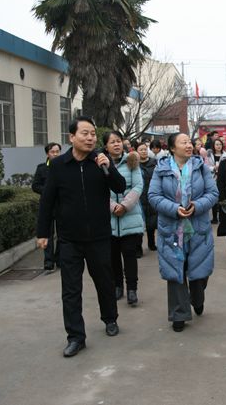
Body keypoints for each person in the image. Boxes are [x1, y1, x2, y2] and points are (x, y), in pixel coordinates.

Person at [36, 116, 126, 358]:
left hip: (99, 237)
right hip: (69, 240)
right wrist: (42, 232)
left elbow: (120, 187)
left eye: (93, 134)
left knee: (104, 282)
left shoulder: (101, 161)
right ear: (72, 137)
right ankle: (76, 336)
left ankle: (110, 318)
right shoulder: (58, 166)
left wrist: (108, 169)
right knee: (70, 290)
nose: (90, 138)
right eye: (85, 133)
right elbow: (47, 201)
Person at [148, 132, 219, 332]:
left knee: (199, 273)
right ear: (172, 148)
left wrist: (196, 206)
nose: (189, 145)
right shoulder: (161, 169)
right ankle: (178, 314)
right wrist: (174, 209)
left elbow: (213, 193)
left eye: (189, 142)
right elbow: (153, 196)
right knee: (175, 272)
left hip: (198, 228)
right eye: (183, 142)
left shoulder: (200, 166)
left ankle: (197, 299)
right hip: (171, 230)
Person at [103, 131, 144, 307]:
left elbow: (138, 186)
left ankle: (132, 289)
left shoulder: (131, 161)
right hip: (109, 218)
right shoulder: (101, 164)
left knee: (129, 254)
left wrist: (125, 205)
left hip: (130, 215)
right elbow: (99, 190)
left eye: (118, 141)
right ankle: (117, 286)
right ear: (106, 146)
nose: (116, 144)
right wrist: (113, 207)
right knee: (113, 256)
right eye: (112, 142)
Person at [32, 142, 62, 271]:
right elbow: (35, 186)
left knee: (62, 235)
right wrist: (48, 191)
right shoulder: (42, 168)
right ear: (47, 154)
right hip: (47, 205)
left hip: (61, 205)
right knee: (48, 234)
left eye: (57, 151)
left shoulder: (64, 167)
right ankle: (48, 261)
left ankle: (60, 259)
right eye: (52, 152)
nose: (55, 154)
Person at [136, 141, 158, 252]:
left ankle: (151, 243)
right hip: (139, 197)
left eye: (145, 149)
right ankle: (138, 247)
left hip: (152, 196)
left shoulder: (154, 163)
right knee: (139, 224)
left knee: (152, 223)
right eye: (141, 150)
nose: (144, 151)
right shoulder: (134, 165)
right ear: (136, 151)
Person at [206, 138, 225, 224]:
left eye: (220, 144)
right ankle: (214, 218)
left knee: (221, 197)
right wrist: (213, 168)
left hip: (222, 178)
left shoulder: (225, 155)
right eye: (217, 144)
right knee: (214, 198)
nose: (218, 146)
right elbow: (206, 166)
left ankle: (221, 217)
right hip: (212, 178)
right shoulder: (209, 155)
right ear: (213, 146)